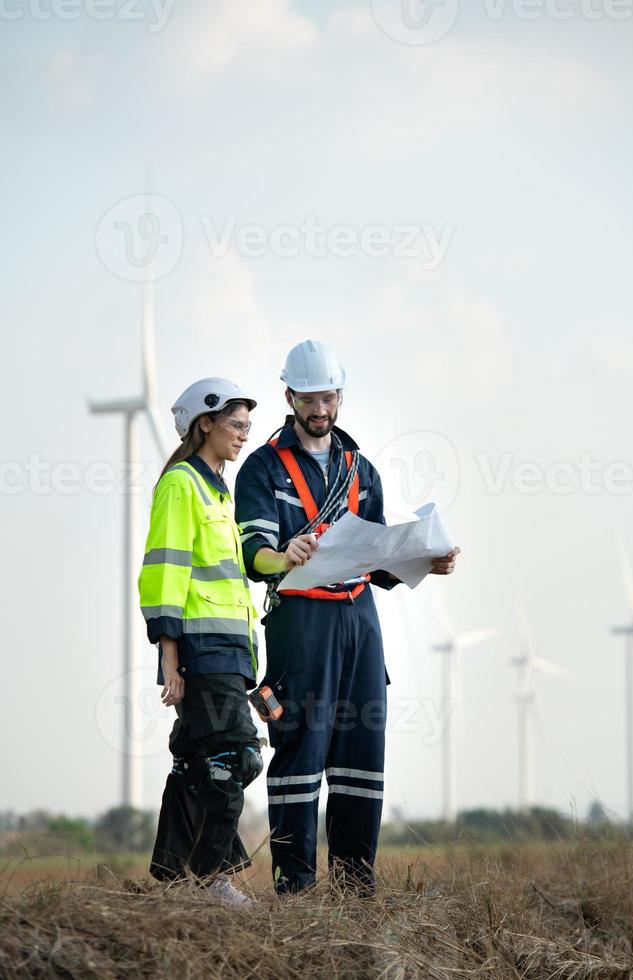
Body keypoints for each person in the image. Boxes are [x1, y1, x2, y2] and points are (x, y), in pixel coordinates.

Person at [234, 340, 460, 894]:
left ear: (340, 397)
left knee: (363, 758)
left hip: (361, 623)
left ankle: (358, 891)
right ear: (289, 396)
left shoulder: (362, 470)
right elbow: (252, 555)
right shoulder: (262, 468)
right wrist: (283, 556)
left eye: (328, 397)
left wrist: (426, 561)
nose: (320, 409)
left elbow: (379, 561)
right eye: (309, 398)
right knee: (301, 757)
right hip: (301, 624)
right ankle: (296, 891)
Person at [138, 377, 263, 906]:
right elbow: (165, 569)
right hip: (202, 646)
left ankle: (173, 879)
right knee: (235, 757)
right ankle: (213, 881)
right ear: (204, 423)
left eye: (248, 427)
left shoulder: (218, 489)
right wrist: (170, 654)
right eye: (236, 425)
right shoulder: (181, 485)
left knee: (195, 763)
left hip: (232, 648)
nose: (244, 436)